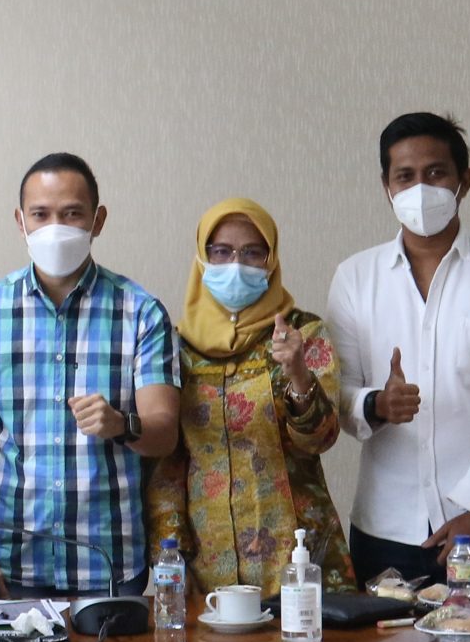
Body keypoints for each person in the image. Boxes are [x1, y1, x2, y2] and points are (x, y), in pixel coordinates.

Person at [327, 113, 470, 591]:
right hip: (385, 528)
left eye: (435, 173)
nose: (420, 189)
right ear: (386, 187)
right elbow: (338, 394)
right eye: (405, 176)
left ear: (464, 180)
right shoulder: (354, 278)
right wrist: (376, 404)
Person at [0, 152, 180, 598]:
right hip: (10, 560)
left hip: (109, 562)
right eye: (41, 214)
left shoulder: (141, 312)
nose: (55, 227)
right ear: (20, 221)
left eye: (72, 214)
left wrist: (120, 424)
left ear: (98, 220)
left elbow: (165, 432)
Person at [144, 198, 352, 596]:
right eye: (221, 252)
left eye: (252, 252)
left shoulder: (302, 334)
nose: (236, 264)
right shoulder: (175, 347)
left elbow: (321, 439)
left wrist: (298, 374)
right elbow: (165, 464)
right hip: (207, 561)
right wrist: (169, 555)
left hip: (297, 556)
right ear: (202, 258)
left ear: (270, 261)